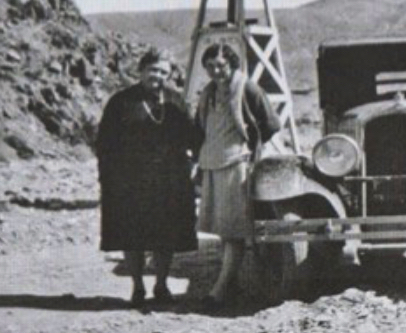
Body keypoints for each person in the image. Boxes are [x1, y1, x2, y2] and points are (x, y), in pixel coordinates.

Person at [96, 48, 200, 308]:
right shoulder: (121, 102)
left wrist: (194, 164)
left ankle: (161, 285)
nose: (158, 76)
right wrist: (107, 178)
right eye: (153, 70)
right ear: (141, 70)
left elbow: (192, 136)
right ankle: (138, 287)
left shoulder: (175, 100)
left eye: (164, 72)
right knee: (132, 235)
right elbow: (105, 143)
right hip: (130, 181)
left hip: (169, 180)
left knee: (166, 236)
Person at [196, 42, 281, 311]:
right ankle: (231, 283)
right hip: (213, 164)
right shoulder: (208, 92)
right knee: (223, 228)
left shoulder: (248, 89)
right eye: (210, 66)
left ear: (232, 64)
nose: (215, 71)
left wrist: (250, 148)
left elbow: (271, 124)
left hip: (237, 164)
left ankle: (219, 291)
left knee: (234, 229)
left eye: (221, 65)